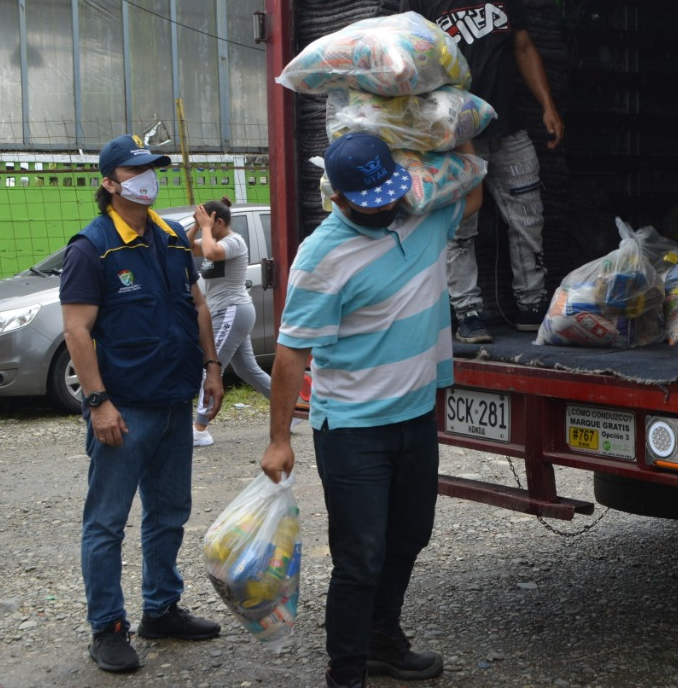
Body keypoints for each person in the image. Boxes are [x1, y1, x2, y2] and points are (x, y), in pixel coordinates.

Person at [261, 133, 482, 688]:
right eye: (370, 200)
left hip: (413, 418)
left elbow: (474, 190)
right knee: (360, 557)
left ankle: (384, 641)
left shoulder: (423, 217)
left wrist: (451, 142)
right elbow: (291, 354)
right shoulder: (321, 257)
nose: (384, 206)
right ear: (337, 198)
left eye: (390, 192)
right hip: (352, 428)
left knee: (410, 536)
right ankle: (347, 670)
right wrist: (278, 439)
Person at [60, 134, 224, 674]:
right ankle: (107, 627)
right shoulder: (92, 246)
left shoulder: (173, 237)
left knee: (169, 512)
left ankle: (161, 608)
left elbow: (198, 304)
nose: (149, 177)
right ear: (110, 183)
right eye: (136, 170)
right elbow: (78, 333)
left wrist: (213, 367)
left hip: (176, 402)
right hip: (125, 409)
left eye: (152, 168)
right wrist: (99, 402)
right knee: (107, 522)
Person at [398, 0, 565, 345]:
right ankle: (468, 312)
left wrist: (548, 106)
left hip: (509, 128)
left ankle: (532, 303)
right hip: (453, 137)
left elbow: (524, 48)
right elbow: (413, 65)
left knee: (528, 218)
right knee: (458, 227)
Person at [186, 196, 272, 447]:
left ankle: (200, 428)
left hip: (232, 310)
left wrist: (205, 227)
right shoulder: (215, 238)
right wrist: (197, 224)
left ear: (219, 223)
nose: (204, 229)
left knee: (212, 366)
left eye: (208, 224)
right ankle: (292, 410)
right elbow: (189, 247)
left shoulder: (234, 241)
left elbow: (211, 251)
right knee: (248, 369)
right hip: (226, 312)